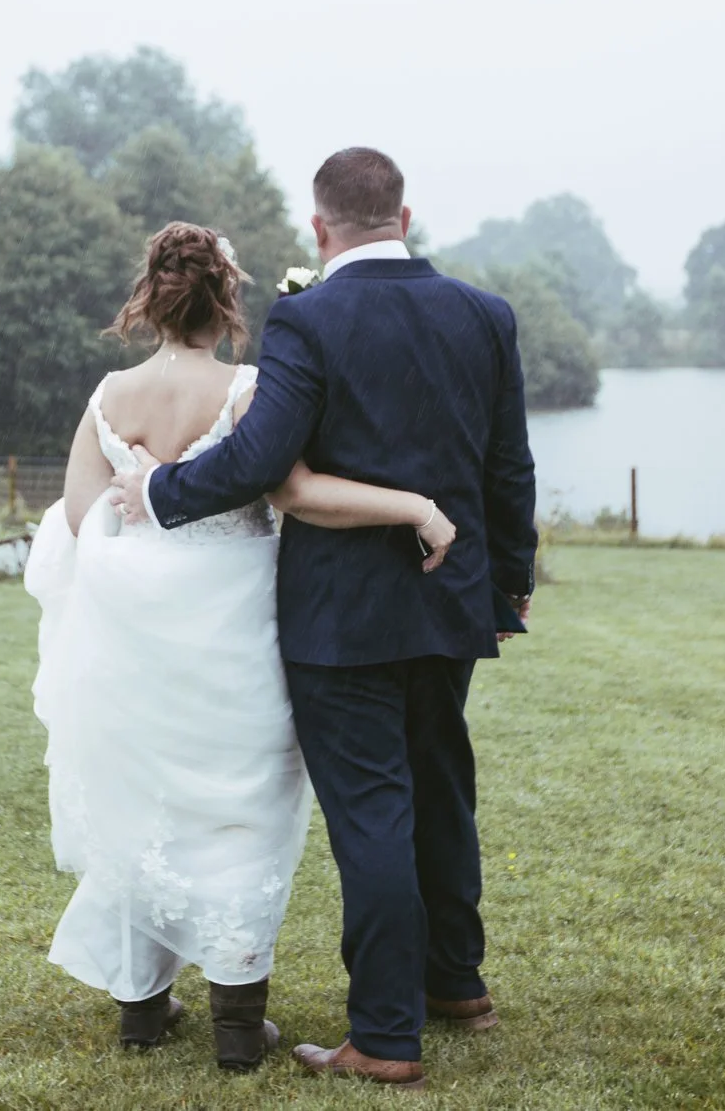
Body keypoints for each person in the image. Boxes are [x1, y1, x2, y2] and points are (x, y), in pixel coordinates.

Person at [108, 146, 538, 1090]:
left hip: (342, 616)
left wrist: (161, 489)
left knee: (374, 810)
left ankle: (384, 1032)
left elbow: (263, 457)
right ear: (404, 217)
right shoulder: (485, 314)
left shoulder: (308, 317)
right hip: (449, 597)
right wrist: (511, 583)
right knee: (441, 785)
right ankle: (456, 982)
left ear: (319, 227)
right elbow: (509, 464)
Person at [24, 220, 460, 1074]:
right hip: (238, 636)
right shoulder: (249, 390)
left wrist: (143, 501)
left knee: (143, 802)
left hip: (135, 649)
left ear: (149, 299)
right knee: (241, 812)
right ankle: (235, 1020)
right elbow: (292, 493)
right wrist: (413, 504)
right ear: (226, 298)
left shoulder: (108, 397)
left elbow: (80, 521)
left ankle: (141, 1005)